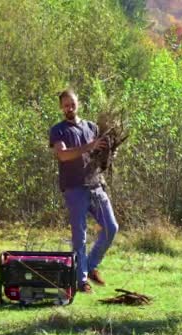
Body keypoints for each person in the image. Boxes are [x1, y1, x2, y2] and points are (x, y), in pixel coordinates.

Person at [49, 89, 119, 293]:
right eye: (65, 105)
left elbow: (100, 153)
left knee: (111, 227)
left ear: (78, 103)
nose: (69, 108)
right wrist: (90, 146)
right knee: (80, 236)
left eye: (72, 104)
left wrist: (110, 150)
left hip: (96, 185)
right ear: (61, 107)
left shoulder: (92, 127)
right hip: (74, 188)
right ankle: (81, 281)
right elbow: (62, 155)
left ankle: (89, 266)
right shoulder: (58, 130)